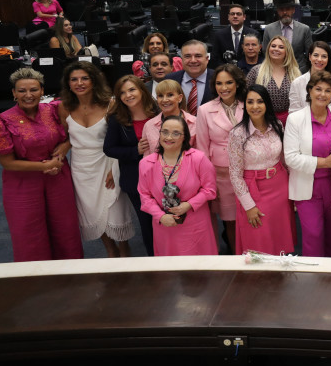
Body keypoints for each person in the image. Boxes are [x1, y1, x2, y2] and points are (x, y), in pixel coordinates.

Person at [0, 68, 83, 262]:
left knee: (65, 228)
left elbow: (74, 133)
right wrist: (44, 166)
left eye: (34, 90)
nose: (28, 95)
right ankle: (36, 281)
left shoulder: (55, 109)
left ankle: (70, 276)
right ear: (13, 93)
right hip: (22, 184)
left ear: (42, 91)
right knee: (29, 234)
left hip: (58, 178)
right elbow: (8, 163)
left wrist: (64, 148)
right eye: (22, 91)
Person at [59, 63, 133, 257]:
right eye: (74, 79)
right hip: (81, 168)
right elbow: (67, 137)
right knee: (91, 211)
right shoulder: (64, 107)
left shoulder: (111, 104)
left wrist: (115, 168)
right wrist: (65, 146)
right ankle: (111, 250)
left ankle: (125, 249)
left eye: (84, 78)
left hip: (108, 162)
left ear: (94, 81)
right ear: (68, 83)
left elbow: (121, 138)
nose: (79, 83)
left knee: (116, 211)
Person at [284, 71, 331, 257]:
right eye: (318, 89)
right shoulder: (295, 119)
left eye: (328, 90)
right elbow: (291, 157)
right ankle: (312, 279)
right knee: (313, 234)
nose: (322, 94)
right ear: (310, 91)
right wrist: (324, 162)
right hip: (308, 186)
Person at [226, 85, 292, 255]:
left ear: (267, 104)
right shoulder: (238, 133)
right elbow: (234, 174)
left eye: (260, 101)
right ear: (245, 106)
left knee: (279, 235)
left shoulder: (277, 125)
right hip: (253, 190)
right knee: (258, 238)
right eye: (250, 102)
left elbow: (284, 159)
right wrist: (248, 205)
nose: (255, 106)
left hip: (279, 187)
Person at [138, 115, 218, 257]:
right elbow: (145, 196)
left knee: (200, 270)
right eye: (165, 132)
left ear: (184, 137)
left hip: (195, 224)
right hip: (165, 225)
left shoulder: (198, 159)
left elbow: (210, 190)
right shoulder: (146, 163)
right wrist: (161, 216)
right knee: (170, 272)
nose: (169, 137)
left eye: (176, 133)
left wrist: (189, 204)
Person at [104, 75, 159, 256]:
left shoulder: (157, 110)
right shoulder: (116, 118)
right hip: (136, 180)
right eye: (123, 92)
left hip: (165, 177)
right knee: (148, 224)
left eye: (132, 90)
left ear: (142, 90)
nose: (128, 95)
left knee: (168, 220)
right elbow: (109, 149)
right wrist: (134, 150)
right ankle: (154, 261)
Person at [196, 65, 245, 254]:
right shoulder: (205, 110)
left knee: (250, 216)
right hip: (222, 175)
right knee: (231, 220)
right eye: (219, 83)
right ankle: (236, 257)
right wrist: (208, 182)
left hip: (248, 170)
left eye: (229, 82)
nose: (223, 87)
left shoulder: (249, 104)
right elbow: (202, 148)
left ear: (237, 83)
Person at [247, 35, 300, 125]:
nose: (276, 49)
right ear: (268, 49)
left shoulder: (295, 73)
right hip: (262, 121)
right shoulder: (256, 71)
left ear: (287, 51)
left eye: (281, 47)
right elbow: (245, 95)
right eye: (273, 46)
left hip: (291, 122)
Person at [289, 41, 331, 114]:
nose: (319, 59)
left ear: (328, 59)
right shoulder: (297, 83)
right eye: (316, 55)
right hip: (304, 124)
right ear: (310, 56)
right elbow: (294, 113)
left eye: (324, 56)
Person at [142, 79, 197, 155]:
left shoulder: (195, 123)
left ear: (180, 98)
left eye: (170, 95)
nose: (164, 100)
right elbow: (147, 159)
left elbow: (201, 156)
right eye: (160, 96)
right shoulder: (149, 125)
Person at [262, 0, 312, 73]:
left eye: (288, 9)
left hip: (298, 70)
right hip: (274, 71)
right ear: (278, 11)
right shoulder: (269, 29)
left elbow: (309, 54)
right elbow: (265, 52)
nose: (285, 12)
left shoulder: (304, 29)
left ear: (293, 10)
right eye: (281, 9)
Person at [164, 40, 215, 116]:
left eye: (198, 56)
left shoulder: (218, 78)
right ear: (181, 59)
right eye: (187, 56)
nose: (193, 60)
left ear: (207, 59)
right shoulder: (170, 79)